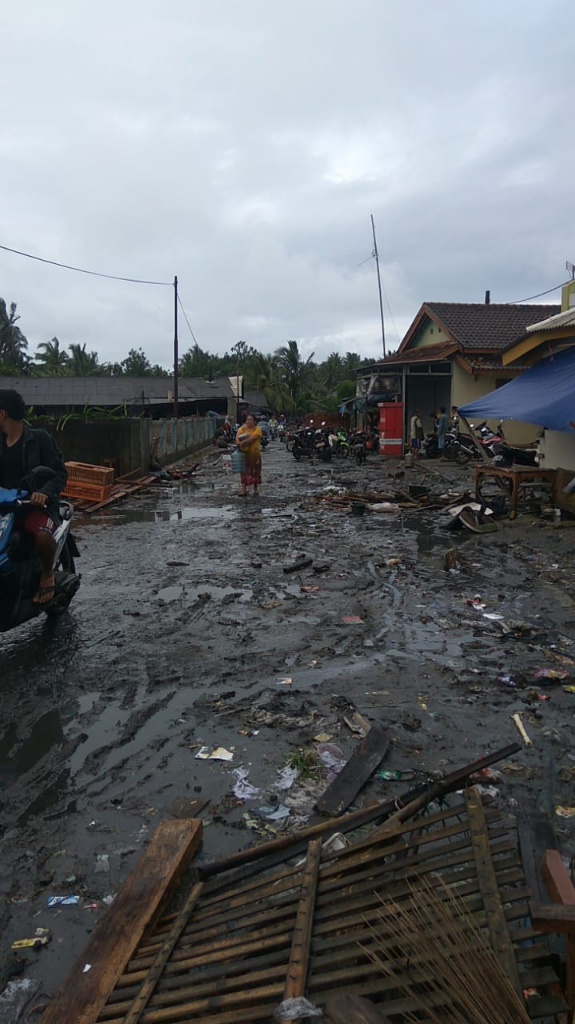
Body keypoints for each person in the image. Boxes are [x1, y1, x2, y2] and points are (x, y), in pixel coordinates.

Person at [0, 389, 67, 603]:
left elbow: (59, 474)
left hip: (33, 508)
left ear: (2, 414)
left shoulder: (40, 439)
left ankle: (47, 575)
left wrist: (43, 494)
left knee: (43, 536)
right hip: (4, 510)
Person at [235, 413, 262, 497]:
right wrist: (239, 442)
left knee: (255, 471)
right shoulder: (241, 429)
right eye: (247, 419)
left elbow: (254, 437)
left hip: (254, 454)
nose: (249, 421)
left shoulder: (257, 429)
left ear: (254, 421)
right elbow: (237, 438)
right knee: (243, 471)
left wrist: (243, 442)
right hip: (244, 454)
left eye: (251, 420)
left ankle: (255, 489)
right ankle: (244, 489)